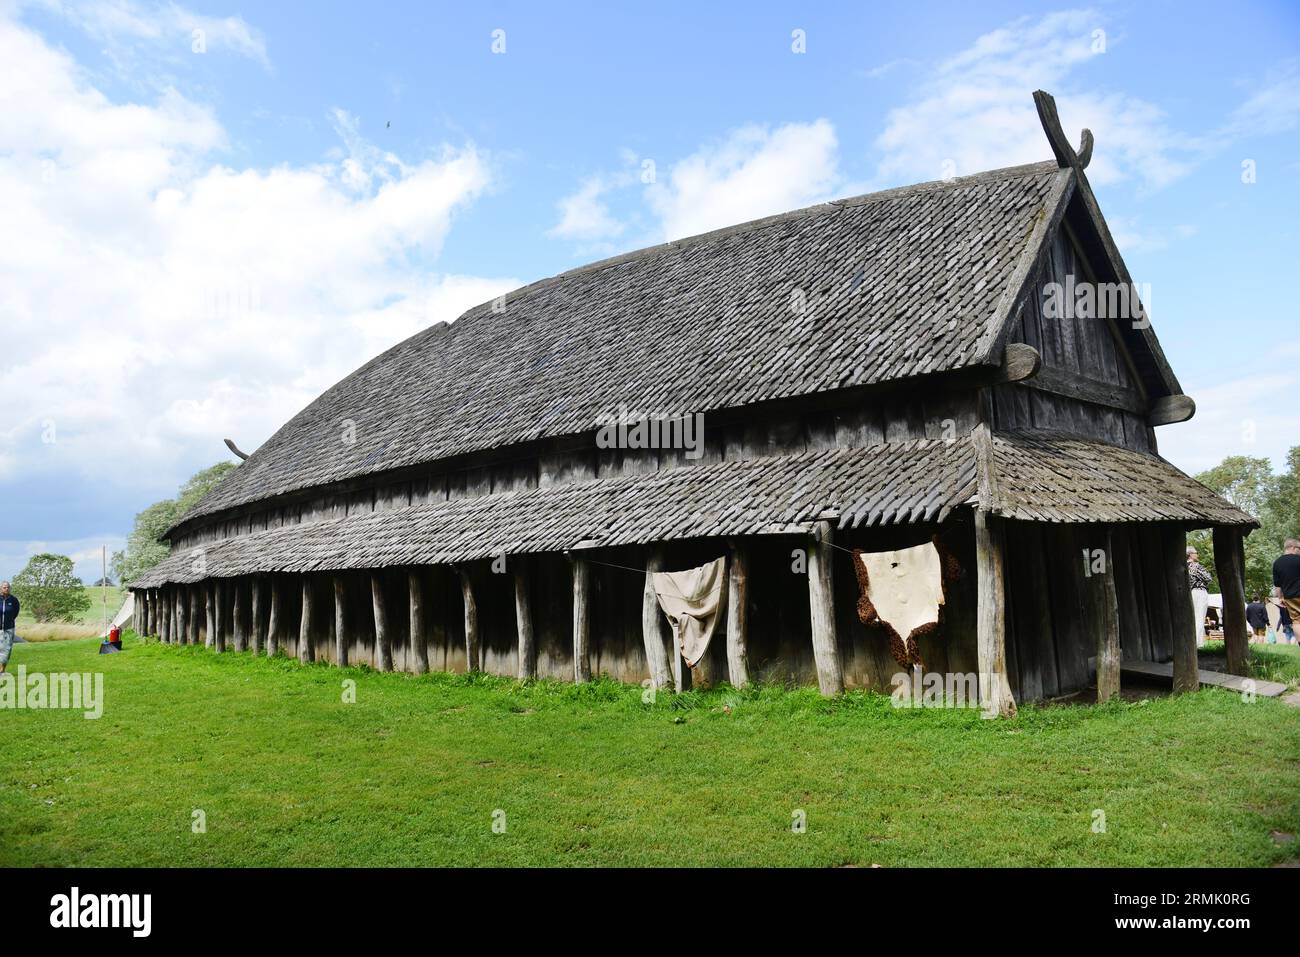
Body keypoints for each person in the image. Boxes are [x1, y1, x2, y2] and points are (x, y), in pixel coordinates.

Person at [1273, 539, 1300, 642]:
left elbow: (1278, 585)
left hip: (1290, 598)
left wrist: (1280, 598)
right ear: (1293, 547)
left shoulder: (1277, 563)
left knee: (1296, 621)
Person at [1187, 546, 1212, 647]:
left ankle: (1190, 641)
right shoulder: (1196, 566)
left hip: (1190, 592)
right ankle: (1198, 643)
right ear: (1190, 554)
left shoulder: (1184, 566)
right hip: (1200, 592)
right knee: (1199, 617)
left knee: (1192, 618)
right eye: (1196, 553)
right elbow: (1208, 578)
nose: (1197, 555)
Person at [0, 581, 18, 675]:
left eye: (8, 587)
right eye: (4, 587)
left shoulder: (13, 600)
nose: (6, 589)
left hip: (9, 628)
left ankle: (2, 670)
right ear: (0, 588)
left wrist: (9, 621)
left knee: (7, 649)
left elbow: (15, 612)